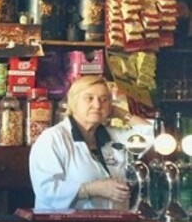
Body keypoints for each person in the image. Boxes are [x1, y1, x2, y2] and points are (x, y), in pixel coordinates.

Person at [29, 75, 152, 211]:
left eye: (104, 99)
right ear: (73, 102)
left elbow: (152, 135)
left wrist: (121, 113)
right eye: (89, 98)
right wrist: (92, 189)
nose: (98, 105)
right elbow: (46, 191)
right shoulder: (53, 139)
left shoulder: (112, 135)